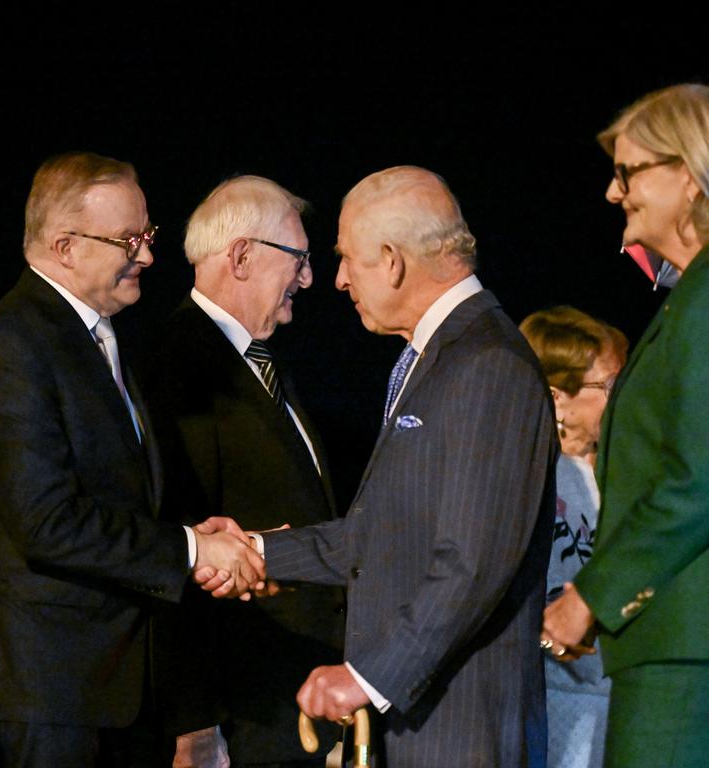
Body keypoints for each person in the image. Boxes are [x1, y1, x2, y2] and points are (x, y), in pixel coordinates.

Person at [0, 152, 266, 768]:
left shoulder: (99, 336)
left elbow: (119, 497)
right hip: (41, 699)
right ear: (65, 246)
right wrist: (190, 552)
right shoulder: (8, 346)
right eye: (130, 239)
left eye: (149, 235)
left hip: (109, 692)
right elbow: (47, 523)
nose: (147, 256)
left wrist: (187, 534)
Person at [223, 166, 558, 767]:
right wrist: (255, 551)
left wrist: (367, 677)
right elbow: (379, 531)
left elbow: (472, 564)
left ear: (393, 261)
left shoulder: (486, 364)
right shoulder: (432, 359)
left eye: (347, 259)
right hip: (417, 726)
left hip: (460, 730)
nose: (340, 280)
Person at [147, 176, 345, 767]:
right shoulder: (176, 366)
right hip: (241, 707)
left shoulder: (265, 361)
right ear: (241, 256)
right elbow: (172, 543)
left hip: (291, 694)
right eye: (300, 260)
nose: (309, 279)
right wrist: (194, 719)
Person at [542, 83, 709, 767]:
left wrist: (592, 595)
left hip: (684, 652)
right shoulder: (687, 301)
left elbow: (697, 478)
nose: (614, 193)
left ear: (690, 174)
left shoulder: (704, 303)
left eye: (629, 173)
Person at [520, 307, 628, 768]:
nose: (622, 398)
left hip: (614, 696)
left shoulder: (622, 471)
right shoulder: (528, 476)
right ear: (556, 397)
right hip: (549, 698)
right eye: (606, 387)